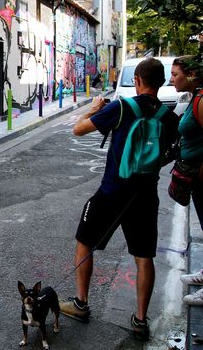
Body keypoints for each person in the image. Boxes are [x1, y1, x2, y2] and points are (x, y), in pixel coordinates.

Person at [59, 58, 179, 341]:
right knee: (144, 256)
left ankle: (81, 303)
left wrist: (92, 109)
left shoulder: (122, 107)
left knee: (85, 242)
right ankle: (140, 319)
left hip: (112, 191)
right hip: (145, 196)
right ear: (161, 83)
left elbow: (78, 130)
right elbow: (171, 153)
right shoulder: (169, 117)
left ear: (137, 80)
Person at [169, 56, 203, 303]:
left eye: (175, 74)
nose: (171, 79)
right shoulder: (195, 96)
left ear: (191, 74)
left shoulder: (202, 100)